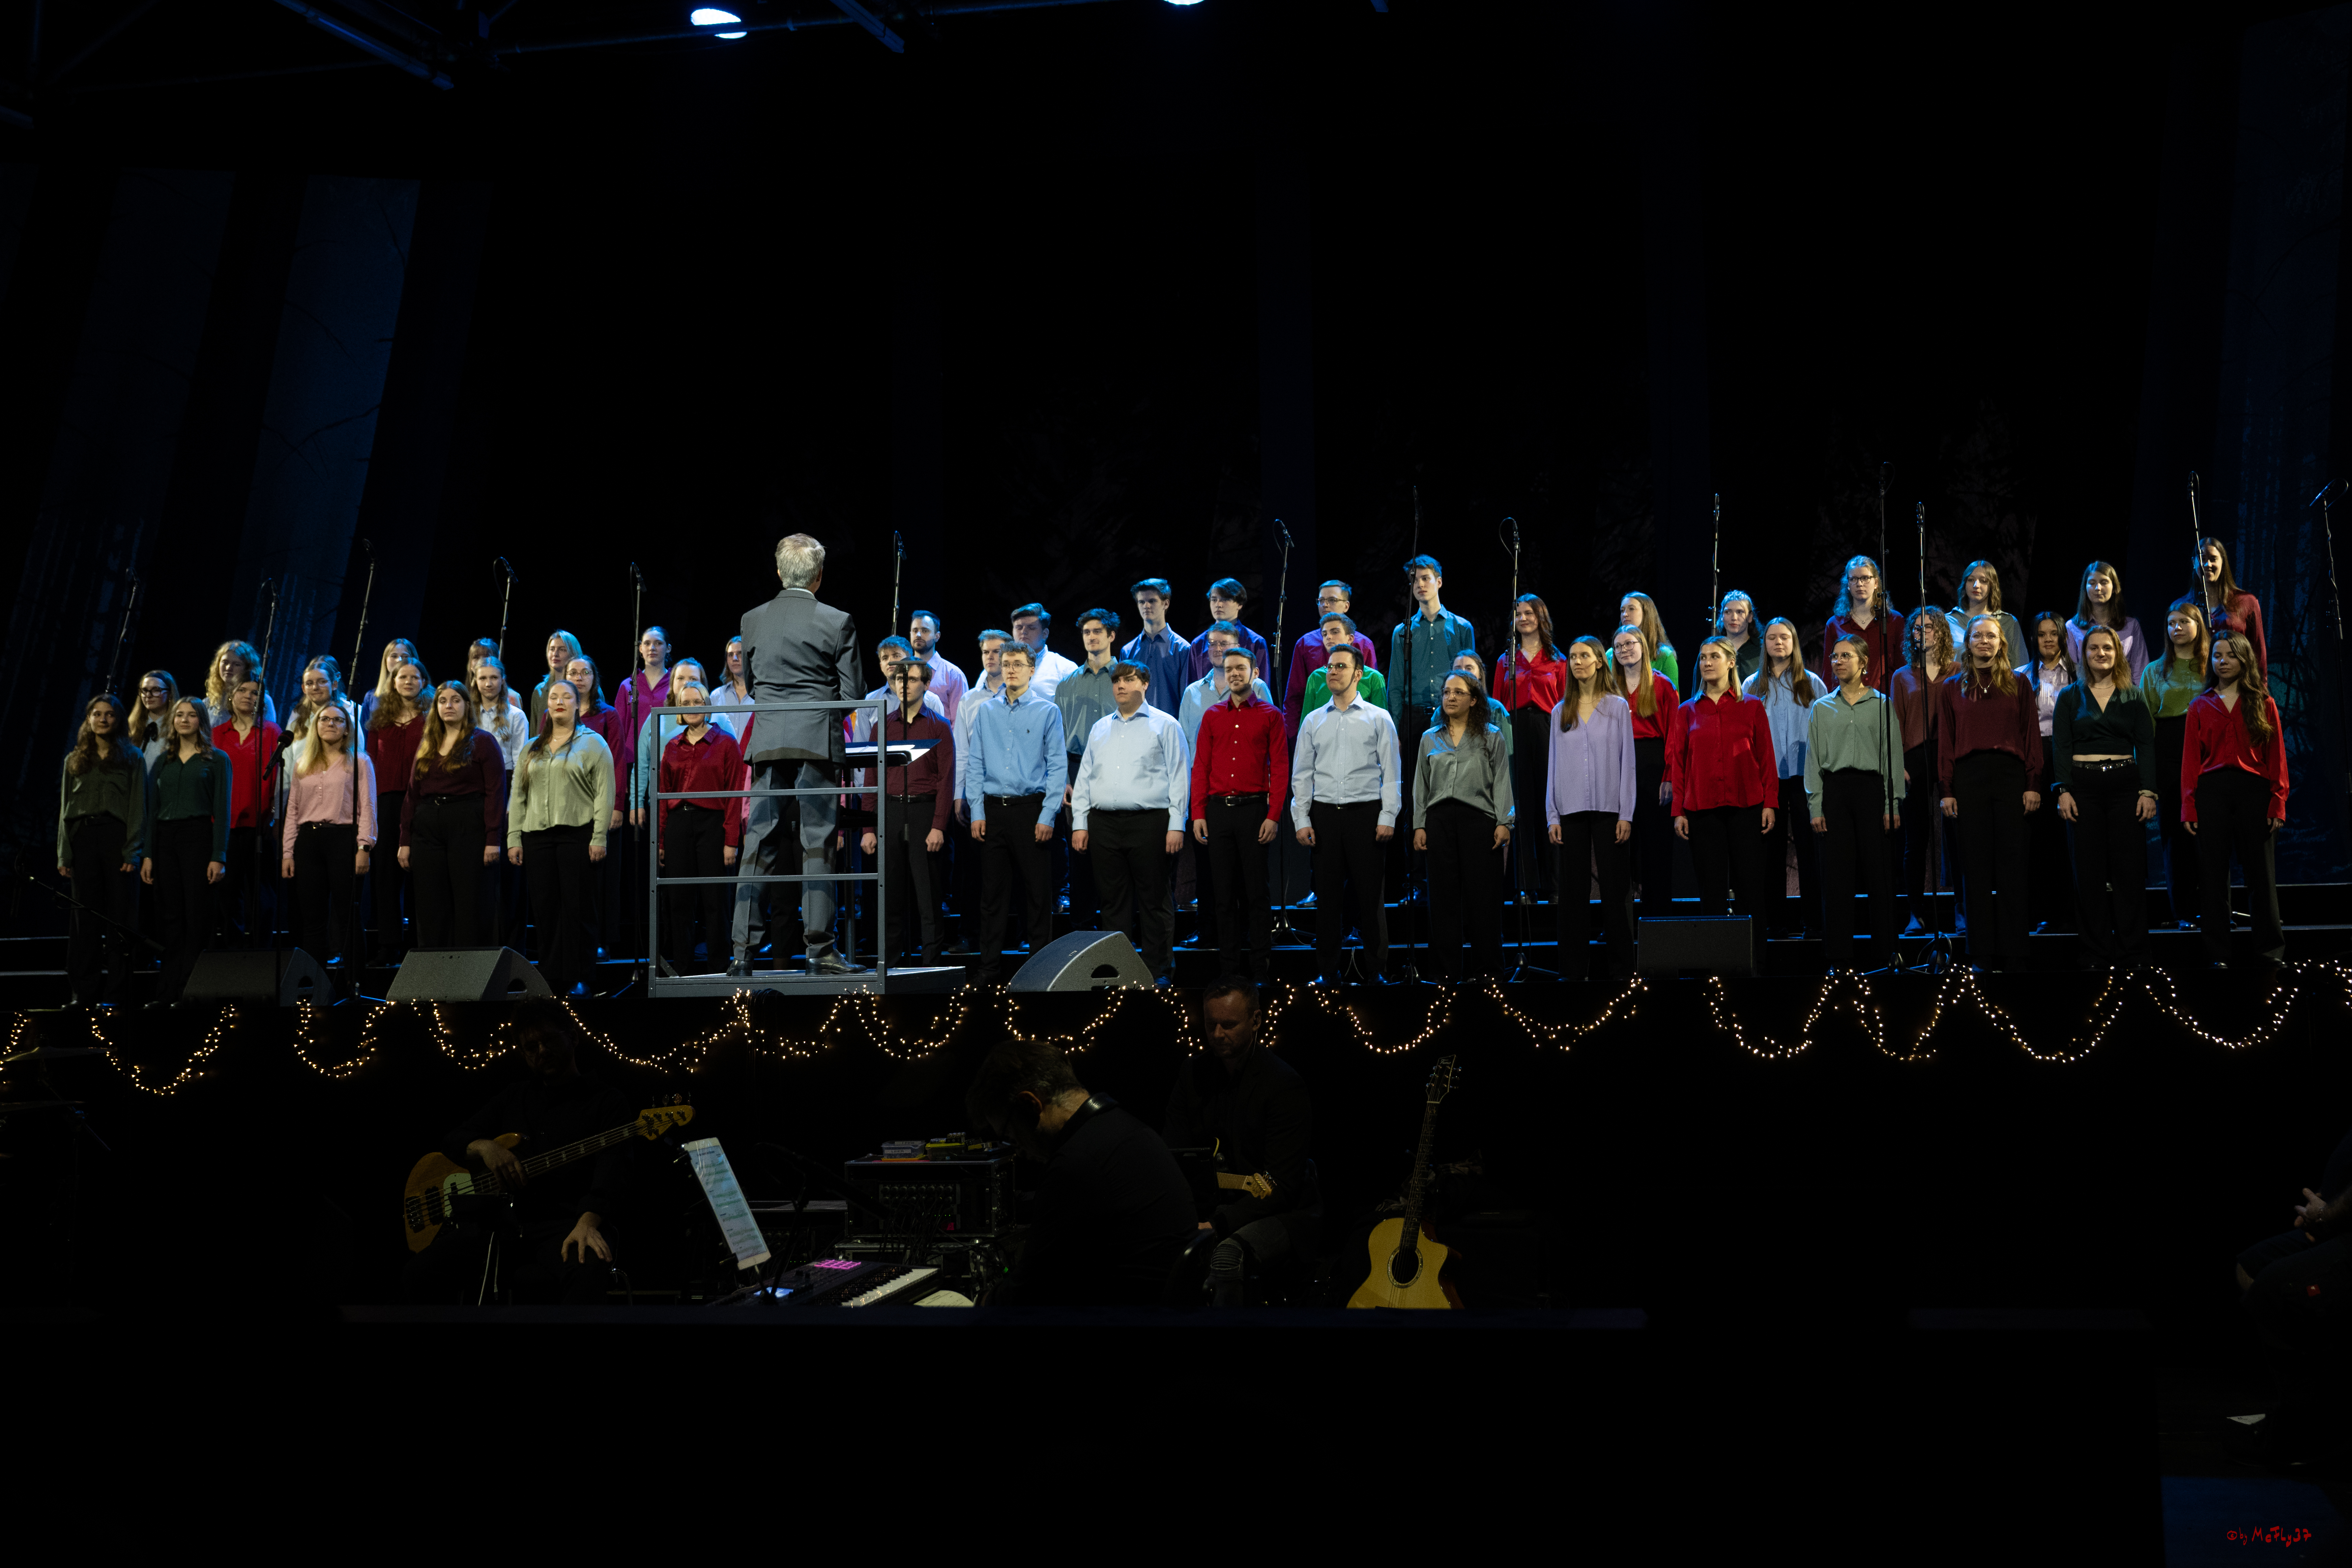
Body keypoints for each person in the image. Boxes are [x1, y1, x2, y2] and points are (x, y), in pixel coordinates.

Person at [403, 1000, 633, 1306]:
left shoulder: (607, 1102)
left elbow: (613, 1169)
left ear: (573, 1038)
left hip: (566, 1225)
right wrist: (487, 1147)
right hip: (501, 1227)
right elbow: (454, 1139)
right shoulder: (514, 1097)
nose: (541, 1051)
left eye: (549, 1040)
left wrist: (588, 1223)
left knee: (587, 1268)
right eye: (531, 1046)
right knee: (418, 1273)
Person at [963, 1036, 1195, 1306]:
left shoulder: (1076, 1164)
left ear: (1030, 1105)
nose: (1017, 1150)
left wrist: (980, 1303)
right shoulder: (1129, 1130)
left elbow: (1026, 1294)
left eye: (1010, 1135)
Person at [735, 537, 862, 976]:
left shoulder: (751, 620)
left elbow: (752, 686)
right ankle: (820, 950)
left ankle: (741, 953)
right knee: (818, 840)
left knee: (758, 841)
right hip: (816, 740)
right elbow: (853, 695)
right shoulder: (838, 620)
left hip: (768, 738)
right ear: (818, 576)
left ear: (778, 572)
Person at [1162, 978, 1321, 1308]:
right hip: (1213, 1205)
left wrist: (1218, 1222)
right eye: (1211, 1025)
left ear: (1257, 1021)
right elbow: (1175, 1156)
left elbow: (1280, 1186)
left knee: (1226, 1255)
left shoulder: (1283, 1084)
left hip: (1280, 1213)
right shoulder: (1193, 1073)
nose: (1218, 1035)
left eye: (1229, 1025)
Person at [2229, 1130, 2352, 1466]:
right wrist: (2325, 1206)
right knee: (2253, 1266)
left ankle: (2317, 1436)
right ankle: (2313, 1408)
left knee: (2276, 1292)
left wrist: (2330, 1215)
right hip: (2337, 1223)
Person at [1070, 660, 1188, 983]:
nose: (1121, 685)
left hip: (1149, 822)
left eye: (1129, 679)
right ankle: (1118, 971)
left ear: (1145, 684)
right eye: (1117, 681)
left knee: (1153, 900)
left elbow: (1179, 777)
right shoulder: (1100, 728)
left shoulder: (1165, 725)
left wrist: (1176, 824)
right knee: (1112, 903)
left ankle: (1158, 971)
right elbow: (1085, 780)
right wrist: (1080, 823)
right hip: (1104, 823)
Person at [1937, 614, 2043, 971]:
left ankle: (2015, 950)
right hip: (1969, 778)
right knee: (1975, 867)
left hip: (2010, 776)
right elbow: (1946, 744)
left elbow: (2031, 737)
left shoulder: (2019, 684)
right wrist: (1947, 789)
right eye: (1978, 636)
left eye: (1991, 636)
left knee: (2013, 865)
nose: (1985, 642)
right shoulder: (1952, 688)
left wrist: (2033, 784)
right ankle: (1980, 950)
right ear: (1967, 642)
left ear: (2002, 643)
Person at [1293, 644, 1401, 986]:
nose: (1333, 672)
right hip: (1325, 816)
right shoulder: (1314, 720)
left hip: (1366, 815)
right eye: (1330, 666)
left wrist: (1388, 816)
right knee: (1328, 899)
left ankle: (1376, 972)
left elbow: (1392, 772)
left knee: (1370, 898)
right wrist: (1302, 819)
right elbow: (1302, 774)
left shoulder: (1378, 717)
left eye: (1341, 666)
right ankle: (1328, 973)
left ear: (1359, 674)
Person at [2051, 626, 2157, 971]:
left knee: (2129, 872)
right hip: (2083, 789)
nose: (2101, 654)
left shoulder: (2133, 695)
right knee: (2089, 873)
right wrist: (2063, 790)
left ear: (2118, 653)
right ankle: (2095, 952)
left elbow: (2146, 745)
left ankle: (2134, 952)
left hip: (2126, 787)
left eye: (2108, 649)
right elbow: (2062, 746)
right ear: (2085, 654)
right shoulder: (2070, 696)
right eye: (2094, 648)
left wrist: (2148, 791)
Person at [2184, 633, 2289, 968]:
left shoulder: (2263, 703)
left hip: (2254, 792)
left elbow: (2277, 760)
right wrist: (2189, 805)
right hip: (2212, 792)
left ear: (2245, 661)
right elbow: (2190, 763)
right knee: (2214, 877)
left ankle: (2270, 952)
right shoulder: (2200, 706)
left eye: (2231, 655)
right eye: (2217, 656)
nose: (2223, 661)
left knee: (2261, 874)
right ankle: (2218, 954)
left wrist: (2278, 802)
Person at [508, 676, 613, 996]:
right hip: (537, 838)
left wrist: (599, 837)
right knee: (547, 908)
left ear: (577, 704)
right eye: (553, 697)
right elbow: (518, 795)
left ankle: (580, 976)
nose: (558, 702)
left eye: (566, 697)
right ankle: (552, 977)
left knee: (578, 908)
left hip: (578, 836)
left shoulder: (593, 743)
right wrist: (514, 837)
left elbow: (604, 795)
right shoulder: (531, 748)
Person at [1189, 644, 1287, 982]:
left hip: (1254, 811)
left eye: (1240, 669)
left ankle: (1260, 969)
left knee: (1257, 894)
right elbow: (1200, 766)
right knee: (1223, 894)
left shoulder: (1270, 715)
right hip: (1218, 812)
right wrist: (1198, 813)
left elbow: (1281, 768)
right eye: (1229, 669)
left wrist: (1274, 816)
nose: (1234, 674)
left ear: (1254, 673)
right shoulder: (1212, 716)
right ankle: (1229, 970)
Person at [967, 643, 1065, 983]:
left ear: (1031, 669)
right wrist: (977, 810)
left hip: (1030, 810)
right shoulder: (987, 712)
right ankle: (989, 969)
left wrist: (1048, 815)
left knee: (1038, 895)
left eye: (1017, 664)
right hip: (994, 811)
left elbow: (1057, 767)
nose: (1010, 670)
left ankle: (1039, 972)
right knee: (992, 897)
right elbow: (976, 763)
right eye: (1006, 664)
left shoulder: (1047, 711)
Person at [1805, 637, 1904, 972]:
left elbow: (1892, 757)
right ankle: (1839, 956)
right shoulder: (1822, 708)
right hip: (1835, 792)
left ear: (1864, 663)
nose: (1838, 661)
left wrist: (1893, 803)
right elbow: (1814, 761)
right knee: (1837, 878)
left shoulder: (1881, 705)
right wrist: (1816, 807)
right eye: (1834, 657)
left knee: (1880, 875)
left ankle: (1886, 953)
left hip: (1871, 791)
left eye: (1846, 656)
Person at [1668, 638, 1775, 935]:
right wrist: (1679, 810)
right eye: (1702, 658)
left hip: (1747, 806)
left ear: (1731, 662)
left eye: (1714, 657)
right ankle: (1715, 964)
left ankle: (1755, 963)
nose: (1707, 663)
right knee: (1711, 889)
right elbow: (1679, 764)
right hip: (1702, 809)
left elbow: (1766, 757)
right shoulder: (1686, 711)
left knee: (1750, 888)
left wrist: (1770, 803)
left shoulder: (1752, 707)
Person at [1546, 635, 1637, 981]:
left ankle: (1621, 970)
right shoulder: (1561, 712)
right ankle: (1573, 971)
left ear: (1600, 661)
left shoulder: (1616, 707)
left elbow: (1627, 762)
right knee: (1572, 894)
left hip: (1608, 810)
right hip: (1570, 810)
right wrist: (1552, 814)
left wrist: (1625, 812)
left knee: (1614, 891)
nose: (1578, 662)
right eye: (1572, 657)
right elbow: (1554, 765)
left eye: (1585, 656)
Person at [1412, 671, 1512, 981]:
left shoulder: (1492, 736)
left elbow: (1502, 783)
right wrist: (1419, 825)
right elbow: (1420, 787)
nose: (1450, 697)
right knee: (1442, 901)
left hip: (1479, 822)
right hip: (1439, 822)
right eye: (1446, 692)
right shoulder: (1430, 738)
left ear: (1473, 699)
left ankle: (1488, 971)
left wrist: (1504, 821)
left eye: (1458, 692)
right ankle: (1445, 973)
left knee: (1483, 900)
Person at [1388, 555, 1477, 899]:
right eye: (1415, 580)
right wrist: (1396, 730)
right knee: (1417, 798)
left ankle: (1458, 874)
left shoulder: (1460, 627)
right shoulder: (1403, 631)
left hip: (1450, 716)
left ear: (1439, 581)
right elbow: (1396, 684)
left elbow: (1469, 675)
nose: (1421, 585)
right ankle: (1417, 880)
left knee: (1452, 791)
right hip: (1413, 718)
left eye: (1426, 578)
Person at [853, 660, 950, 967]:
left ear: (925, 684)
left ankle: (931, 965)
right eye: (899, 680)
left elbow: (946, 780)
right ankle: (890, 966)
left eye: (911, 680)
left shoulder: (938, 726)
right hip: (891, 811)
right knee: (890, 894)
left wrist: (938, 826)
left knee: (928, 896)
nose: (903, 685)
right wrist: (869, 828)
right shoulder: (883, 725)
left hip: (923, 811)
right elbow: (872, 778)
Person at [399, 680, 503, 950]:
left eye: (456, 700)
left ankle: (468, 973)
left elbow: (495, 791)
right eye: (443, 701)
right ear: (436, 707)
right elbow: (412, 793)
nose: (449, 705)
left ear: (467, 706)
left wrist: (493, 837)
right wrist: (405, 840)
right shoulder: (428, 743)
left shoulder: (482, 741)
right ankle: (435, 976)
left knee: (469, 900)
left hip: (467, 823)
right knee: (431, 902)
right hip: (428, 826)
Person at [1744, 617, 1828, 939]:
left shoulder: (1813, 684)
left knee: (1809, 852)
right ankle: (1775, 923)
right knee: (1771, 853)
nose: (1778, 643)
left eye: (1785, 637)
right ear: (1764, 645)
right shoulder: (1752, 685)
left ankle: (1814, 923)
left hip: (1805, 777)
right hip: (1769, 780)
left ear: (1794, 642)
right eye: (1771, 638)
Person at [58, 695, 146, 1005]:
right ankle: (84, 992)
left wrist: (132, 851)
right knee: (85, 919)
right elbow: (65, 809)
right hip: (83, 839)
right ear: (89, 719)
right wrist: (64, 854)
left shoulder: (132, 757)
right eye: (97, 714)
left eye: (109, 715)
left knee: (120, 917)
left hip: (116, 838)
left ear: (119, 720)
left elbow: (138, 806)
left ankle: (118, 992)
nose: (103, 719)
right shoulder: (75, 759)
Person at [141, 698, 229, 1004]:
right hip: (165, 840)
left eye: (192, 715)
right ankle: (167, 991)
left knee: (197, 915)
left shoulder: (216, 759)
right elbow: (151, 811)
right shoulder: (162, 761)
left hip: (198, 837)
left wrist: (219, 855)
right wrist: (148, 854)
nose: (184, 720)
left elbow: (222, 810)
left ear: (201, 721)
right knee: (170, 916)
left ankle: (191, 990)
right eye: (179, 715)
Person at [657, 678, 746, 974]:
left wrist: (731, 840)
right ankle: (683, 968)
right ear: (679, 710)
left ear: (708, 707)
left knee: (715, 901)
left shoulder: (726, 744)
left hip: (713, 825)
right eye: (686, 704)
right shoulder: (672, 746)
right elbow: (663, 797)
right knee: (680, 901)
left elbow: (735, 794)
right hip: (679, 826)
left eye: (698, 702)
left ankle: (719, 967)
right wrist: (660, 841)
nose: (693, 708)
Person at [281, 703, 376, 974]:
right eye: (324, 719)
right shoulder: (303, 764)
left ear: (347, 728)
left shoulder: (359, 761)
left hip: (344, 840)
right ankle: (318, 985)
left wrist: (364, 847)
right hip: (309, 844)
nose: (331, 724)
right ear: (316, 726)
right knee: (313, 920)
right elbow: (293, 812)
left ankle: (354, 984)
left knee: (348, 916)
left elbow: (368, 807)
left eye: (338, 720)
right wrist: (288, 853)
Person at [1891, 607, 1961, 938]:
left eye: (1929, 627)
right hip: (1915, 760)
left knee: (1957, 838)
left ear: (1942, 632)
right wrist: (1898, 766)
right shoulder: (1902, 676)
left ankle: (1962, 913)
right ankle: (1915, 915)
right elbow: (1897, 724)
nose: (1923, 633)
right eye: (1917, 628)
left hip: (1951, 757)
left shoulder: (1958, 671)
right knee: (1915, 841)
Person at [2140, 603, 2209, 931]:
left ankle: (2214, 908)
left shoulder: (2212, 667)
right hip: (2169, 752)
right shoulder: (2154, 671)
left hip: (2209, 753)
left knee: (2210, 835)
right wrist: (2149, 780)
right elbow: (2146, 730)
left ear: (2198, 625)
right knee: (2175, 835)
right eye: (2171, 623)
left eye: (2184, 621)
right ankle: (2183, 911)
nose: (2177, 628)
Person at [1055, 609, 1124, 933]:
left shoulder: (1124, 678)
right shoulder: (1067, 683)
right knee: (1080, 849)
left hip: (1116, 766)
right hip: (1075, 766)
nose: (1092, 637)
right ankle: (1081, 927)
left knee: (1113, 851)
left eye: (1098, 632)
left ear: (1112, 636)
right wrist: (1064, 780)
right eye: (1086, 632)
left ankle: (1116, 929)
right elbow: (1057, 736)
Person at [365, 656, 430, 961]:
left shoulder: (432, 719)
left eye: (414, 677)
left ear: (424, 683)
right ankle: (388, 944)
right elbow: (369, 764)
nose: (408, 682)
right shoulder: (379, 721)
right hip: (386, 802)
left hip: (420, 799)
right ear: (392, 683)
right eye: (402, 677)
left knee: (420, 872)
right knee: (386, 876)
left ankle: (419, 945)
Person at [1615, 621, 1680, 923]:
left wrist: (1669, 776)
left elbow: (1673, 736)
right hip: (1616, 766)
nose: (1625, 650)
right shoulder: (1608, 688)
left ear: (1643, 646)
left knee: (1655, 848)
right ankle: (1622, 923)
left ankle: (1660, 921)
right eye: (1619, 647)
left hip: (1653, 765)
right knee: (1620, 847)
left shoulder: (1663, 685)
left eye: (1630, 644)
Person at [211, 676, 280, 947]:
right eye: (242, 690)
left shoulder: (272, 732)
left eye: (255, 693)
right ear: (231, 695)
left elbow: (277, 779)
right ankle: (232, 954)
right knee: (228, 895)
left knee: (261, 895)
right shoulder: (217, 735)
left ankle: (260, 952)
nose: (248, 696)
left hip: (259, 826)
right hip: (226, 826)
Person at [2021, 611, 2076, 934]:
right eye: (2041, 634)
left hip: (2067, 753)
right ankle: (2040, 914)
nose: (2047, 639)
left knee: (2066, 837)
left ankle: (2068, 914)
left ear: (2061, 637)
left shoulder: (2078, 674)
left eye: (2053, 634)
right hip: (2035, 755)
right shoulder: (2022, 675)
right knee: (2038, 839)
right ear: (2034, 639)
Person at [1281, 580, 1378, 738]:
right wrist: (1294, 737)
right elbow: (1295, 696)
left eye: (1332, 600)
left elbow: (1372, 687)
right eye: (1321, 601)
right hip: (1318, 728)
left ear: (1346, 606)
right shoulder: (1305, 644)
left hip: (1358, 727)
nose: (1325, 605)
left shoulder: (1363, 644)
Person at [2178, 536, 2267, 675]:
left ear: (2223, 562)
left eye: (2213, 559)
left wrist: (2261, 693)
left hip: (2237, 687)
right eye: (2202, 559)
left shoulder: (2247, 602)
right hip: (2194, 687)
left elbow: (2258, 654)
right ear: (2194, 562)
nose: (2207, 564)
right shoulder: (2181, 607)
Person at [1822, 555, 1900, 695]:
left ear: (1876, 583)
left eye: (1865, 578)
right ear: (1848, 584)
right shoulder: (1835, 624)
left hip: (1885, 703)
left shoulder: (1894, 621)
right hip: (1847, 702)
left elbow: (1903, 668)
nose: (1860, 584)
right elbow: (1829, 673)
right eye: (1853, 579)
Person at [2065, 561, 2148, 684]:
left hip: (2123, 698)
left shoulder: (2131, 626)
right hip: (2086, 698)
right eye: (2092, 583)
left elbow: (2140, 674)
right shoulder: (2072, 627)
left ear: (2114, 587)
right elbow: (2071, 674)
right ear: (2085, 588)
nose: (2098, 588)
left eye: (2104, 582)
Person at [1122, 579, 1192, 719]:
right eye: (1142, 602)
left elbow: (1187, 698)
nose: (1146, 606)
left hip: (1170, 727)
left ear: (1166, 603)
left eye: (1152, 601)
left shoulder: (1183, 649)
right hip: (1135, 726)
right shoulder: (1128, 651)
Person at [1296, 614, 1388, 718]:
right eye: (1325, 634)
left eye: (1335, 632)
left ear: (1350, 639)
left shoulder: (1373, 678)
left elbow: (1381, 721)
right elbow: (1306, 724)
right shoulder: (1316, 677)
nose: (1328, 637)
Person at [1943, 561, 2027, 671]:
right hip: (1957, 686)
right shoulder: (1948, 621)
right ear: (1965, 584)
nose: (1976, 585)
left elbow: (2021, 669)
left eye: (1983, 581)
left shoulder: (2009, 622)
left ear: (1992, 585)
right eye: (1971, 580)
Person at [1184, 578, 1270, 684]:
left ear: (1240, 604)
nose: (1218, 604)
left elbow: (1262, 688)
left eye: (1225, 599)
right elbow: (1192, 687)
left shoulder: (1256, 643)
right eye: (1214, 600)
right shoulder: (1198, 644)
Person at [907, 611, 969, 725]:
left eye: (925, 631)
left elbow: (960, 723)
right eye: (915, 631)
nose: (919, 635)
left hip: (941, 741)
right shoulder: (903, 672)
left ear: (937, 636)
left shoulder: (954, 675)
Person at [203, 639, 279, 728]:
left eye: (237, 664)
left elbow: (268, 735)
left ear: (248, 669)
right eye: (225, 662)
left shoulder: (263, 701)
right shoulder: (209, 702)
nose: (229, 668)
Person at [1009, 603, 1080, 697]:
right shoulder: (999, 667)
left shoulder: (1065, 669)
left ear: (1045, 634)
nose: (1024, 632)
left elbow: (1078, 708)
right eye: (1019, 628)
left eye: (1031, 627)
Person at [1618, 592, 1679, 689]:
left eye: (1631, 609)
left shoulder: (1664, 656)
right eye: (1622, 610)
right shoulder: (1612, 655)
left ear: (1647, 613)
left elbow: (1673, 700)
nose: (1625, 614)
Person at [357, 638, 422, 729]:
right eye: (394, 656)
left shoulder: (425, 698)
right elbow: (364, 733)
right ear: (385, 661)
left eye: (405, 657)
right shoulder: (372, 697)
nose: (399, 660)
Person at [528, 630, 584, 729]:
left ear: (573, 654)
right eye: (552, 649)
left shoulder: (585, 688)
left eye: (562, 650)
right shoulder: (540, 691)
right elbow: (534, 732)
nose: (556, 654)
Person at [1713, 590, 1762, 685]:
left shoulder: (1763, 649)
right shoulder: (1711, 650)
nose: (1734, 618)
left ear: (1750, 617)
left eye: (1740, 612)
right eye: (1728, 612)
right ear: (1722, 616)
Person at [710, 635, 755, 732]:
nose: (735, 658)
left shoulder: (760, 694)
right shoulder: (717, 695)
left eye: (740, 654)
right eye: (730, 655)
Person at [132, 670, 177, 766]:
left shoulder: (176, 729)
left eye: (156, 690)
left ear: (170, 694)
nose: (148, 695)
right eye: (145, 690)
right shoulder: (132, 726)